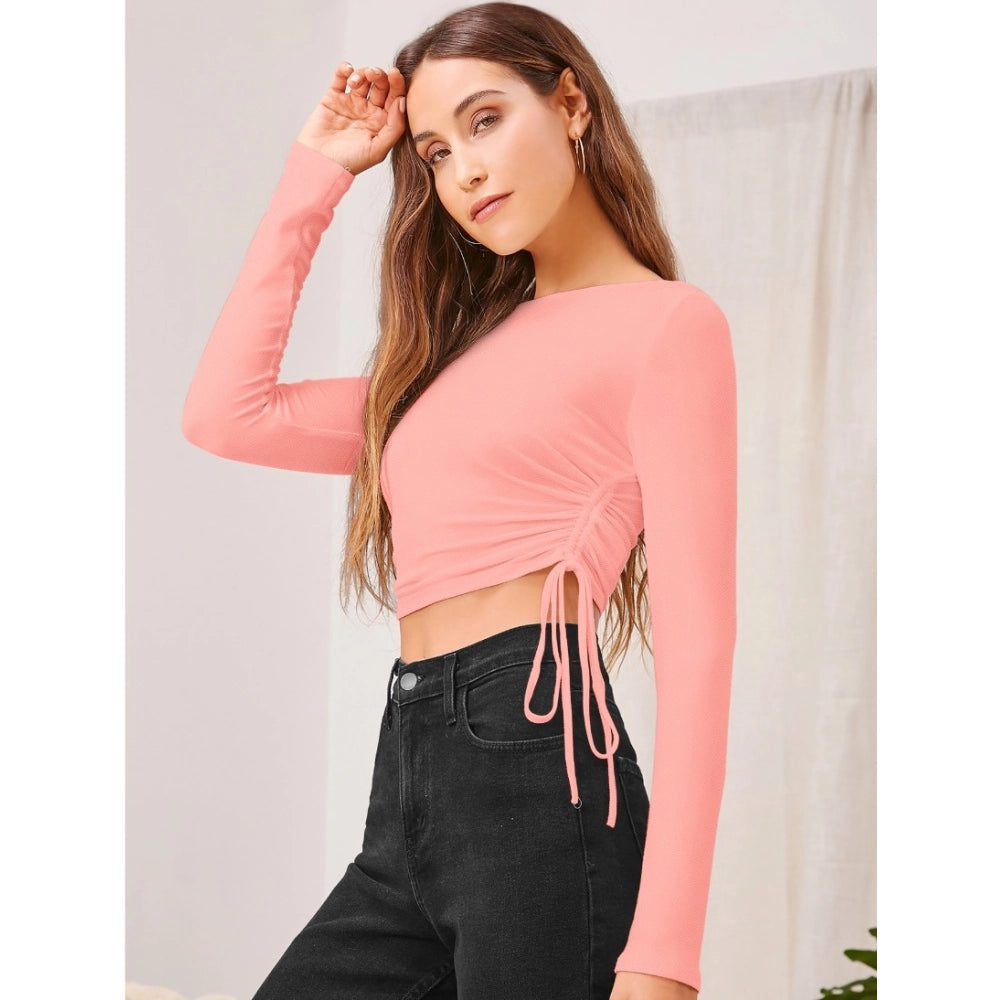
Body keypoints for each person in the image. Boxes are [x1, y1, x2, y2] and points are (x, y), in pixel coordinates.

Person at [181, 4, 737, 998]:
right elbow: (228, 414)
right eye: (436, 152)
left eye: (485, 121)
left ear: (570, 104)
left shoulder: (666, 325)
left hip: (544, 773)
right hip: (408, 778)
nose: (464, 171)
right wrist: (319, 171)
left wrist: (665, 957)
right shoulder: (441, 366)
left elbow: (700, 643)